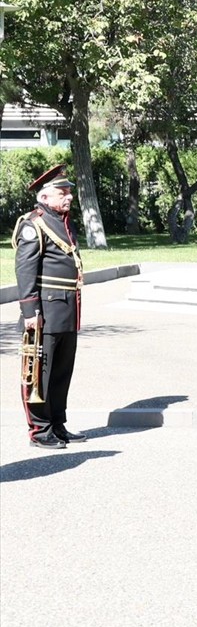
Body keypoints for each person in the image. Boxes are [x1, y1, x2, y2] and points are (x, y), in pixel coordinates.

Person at [13, 165, 87, 450]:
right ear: (45, 197)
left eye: (68, 192)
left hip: (67, 309)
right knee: (38, 373)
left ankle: (57, 424)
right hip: (44, 312)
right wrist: (30, 312)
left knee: (60, 373)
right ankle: (39, 431)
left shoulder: (64, 222)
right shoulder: (34, 224)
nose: (69, 197)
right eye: (62, 192)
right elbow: (25, 270)